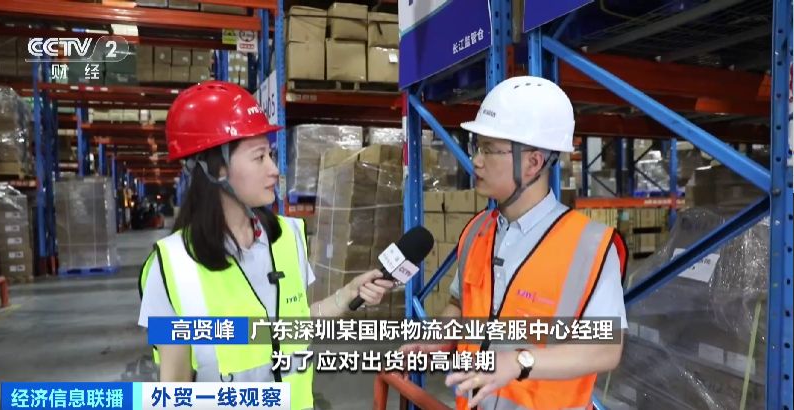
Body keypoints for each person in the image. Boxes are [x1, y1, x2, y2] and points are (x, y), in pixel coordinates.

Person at [137, 81, 395, 409]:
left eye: (270, 154)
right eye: (259, 157)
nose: (274, 170)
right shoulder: (171, 266)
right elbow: (174, 388)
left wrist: (345, 296)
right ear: (215, 168)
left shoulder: (288, 236)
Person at [402, 76, 628, 410]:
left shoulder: (590, 246)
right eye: (477, 147)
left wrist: (519, 361)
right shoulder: (477, 231)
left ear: (533, 162)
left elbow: (606, 349)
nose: (476, 160)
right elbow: (460, 305)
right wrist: (439, 337)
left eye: (489, 150)